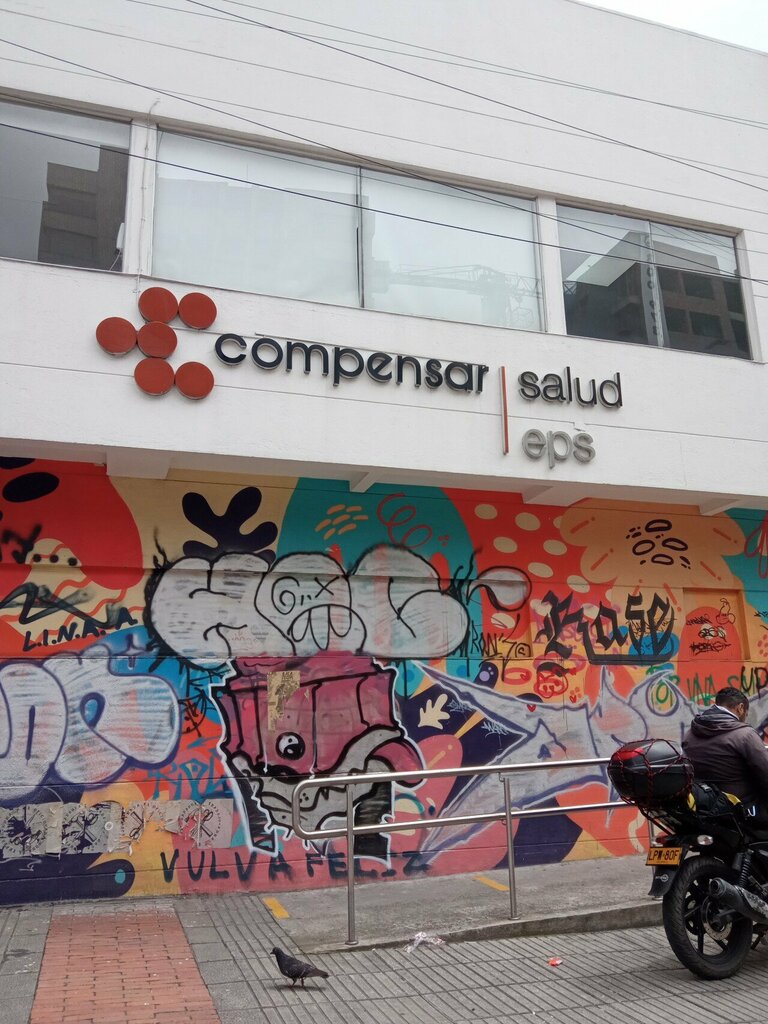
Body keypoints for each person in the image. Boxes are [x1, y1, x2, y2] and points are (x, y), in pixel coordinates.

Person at [683, 686, 768, 810]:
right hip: (740, 808)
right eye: (746, 714)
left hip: (703, 804)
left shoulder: (690, 733)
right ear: (740, 708)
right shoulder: (745, 735)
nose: (745, 718)